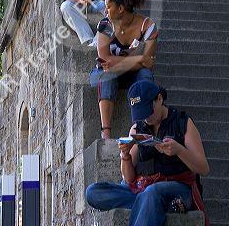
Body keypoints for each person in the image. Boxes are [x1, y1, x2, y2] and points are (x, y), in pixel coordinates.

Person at [86, 80, 210, 226]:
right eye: (141, 113)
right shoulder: (137, 128)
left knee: (152, 192)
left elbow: (204, 168)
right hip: (141, 187)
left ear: (159, 99)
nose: (146, 118)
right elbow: (128, 179)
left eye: (148, 111)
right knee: (94, 192)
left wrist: (179, 150)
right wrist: (125, 156)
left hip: (178, 187)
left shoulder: (182, 123)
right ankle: (158, 205)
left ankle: (154, 202)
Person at [89, 0, 158, 139]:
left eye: (109, 6)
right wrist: (139, 58)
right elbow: (104, 60)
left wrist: (118, 63)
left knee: (145, 75)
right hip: (105, 73)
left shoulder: (147, 27)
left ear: (120, 9)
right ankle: (106, 133)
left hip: (132, 74)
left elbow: (149, 63)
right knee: (107, 74)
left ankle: (141, 128)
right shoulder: (106, 24)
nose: (106, 10)